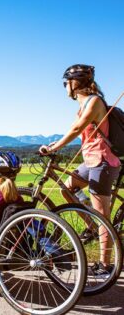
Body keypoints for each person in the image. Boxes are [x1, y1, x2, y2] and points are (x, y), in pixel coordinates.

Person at [39, 64, 121, 275]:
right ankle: (91, 227)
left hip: (102, 162)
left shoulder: (94, 102)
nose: (65, 86)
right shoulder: (83, 105)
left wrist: (54, 148)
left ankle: (105, 265)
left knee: (102, 214)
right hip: (90, 162)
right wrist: (53, 143)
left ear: (74, 83)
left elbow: (77, 129)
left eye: (66, 83)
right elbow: (72, 129)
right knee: (67, 188)